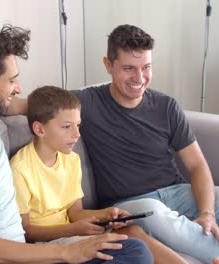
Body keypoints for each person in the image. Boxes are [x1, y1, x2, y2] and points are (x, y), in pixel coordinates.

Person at [0, 23, 153, 264]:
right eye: (11, 81)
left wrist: (89, 115)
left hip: (20, 253)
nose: (18, 89)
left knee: (134, 250)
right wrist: (67, 252)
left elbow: (45, 109)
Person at [66, 24, 219, 263]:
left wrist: (207, 214)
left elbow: (197, 165)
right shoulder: (84, 102)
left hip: (177, 192)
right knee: (156, 214)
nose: (139, 78)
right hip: (131, 205)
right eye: (129, 68)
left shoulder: (166, 106)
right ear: (108, 65)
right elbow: (33, 105)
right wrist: (15, 88)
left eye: (146, 67)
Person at [10, 85, 185, 264]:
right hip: (49, 246)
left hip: (71, 233)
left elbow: (75, 212)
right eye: (67, 127)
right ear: (40, 129)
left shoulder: (71, 160)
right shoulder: (20, 169)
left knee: (133, 232)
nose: (77, 134)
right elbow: (26, 231)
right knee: (137, 251)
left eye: (78, 125)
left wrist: (106, 215)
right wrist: (72, 230)